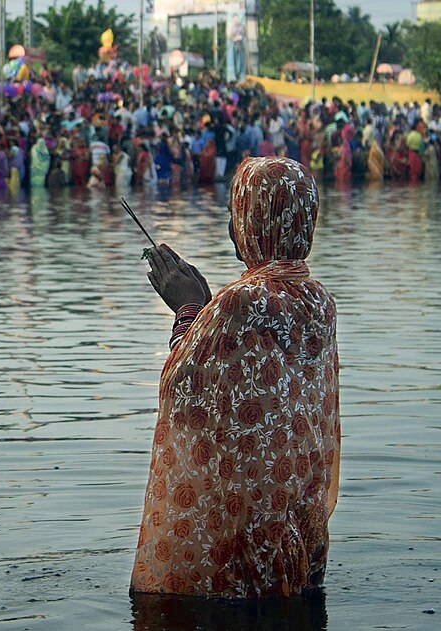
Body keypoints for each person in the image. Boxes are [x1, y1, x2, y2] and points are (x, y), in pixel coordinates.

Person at [132, 156, 340, 599]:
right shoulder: (319, 301)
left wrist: (189, 309)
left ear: (254, 222)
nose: (231, 227)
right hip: (293, 530)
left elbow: (183, 387)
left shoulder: (239, 303)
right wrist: (208, 309)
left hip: (236, 537)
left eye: (235, 214)